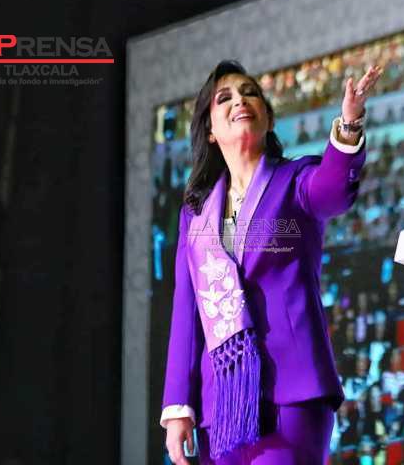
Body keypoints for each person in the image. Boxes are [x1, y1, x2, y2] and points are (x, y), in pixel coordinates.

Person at [161, 59, 383, 464]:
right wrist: (178, 406)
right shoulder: (195, 215)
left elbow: (332, 191)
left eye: (250, 93)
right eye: (224, 98)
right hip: (219, 406)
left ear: (268, 117)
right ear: (210, 130)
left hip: (291, 393)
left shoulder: (295, 181)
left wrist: (349, 125)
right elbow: (186, 311)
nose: (239, 101)